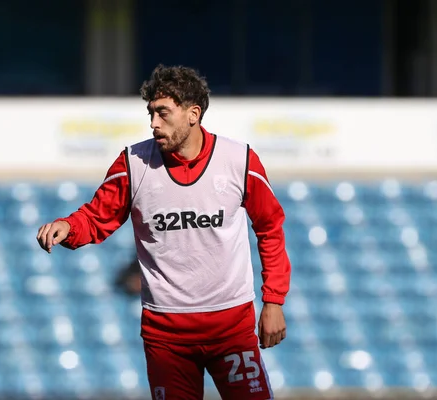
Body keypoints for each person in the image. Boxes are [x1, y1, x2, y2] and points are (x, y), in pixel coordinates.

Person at [37, 64, 291, 400]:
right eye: (150, 113)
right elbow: (97, 217)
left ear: (193, 114)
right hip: (166, 335)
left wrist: (273, 301)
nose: (154, 123)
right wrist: (68, 227)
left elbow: (270, 227)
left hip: (231, 327)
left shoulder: (238, 160)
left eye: (163, 113)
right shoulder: (133, 163)